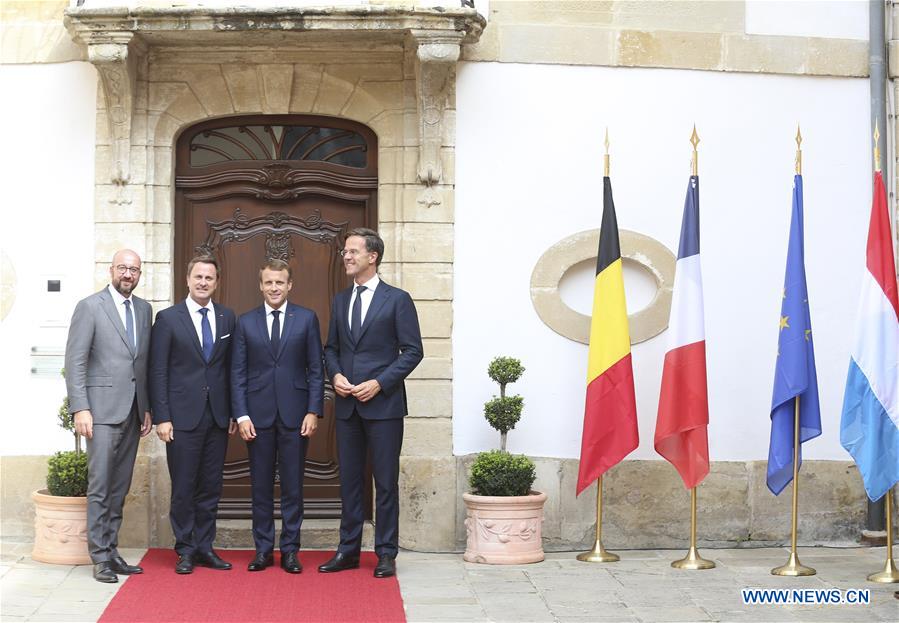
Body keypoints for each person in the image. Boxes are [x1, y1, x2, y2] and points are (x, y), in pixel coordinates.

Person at [319, 228, 423, 579]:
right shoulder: (340, 300)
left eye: (352, 251)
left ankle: (386, 553)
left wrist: (379, 383)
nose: (346, 257)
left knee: (386, 483)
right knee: (349, 481)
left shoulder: (397, 299)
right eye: (345, 252)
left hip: (384, 407)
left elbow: (413, 351)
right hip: (347, 406)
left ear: (372, 256)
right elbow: (331, 348)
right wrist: (335, 375)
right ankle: (347, 551)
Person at [65, 249, 154, 583]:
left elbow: (142, 363)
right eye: (123, 268)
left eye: (134, 270)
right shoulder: (90, 307)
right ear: (111, 270)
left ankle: (112, 550)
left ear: (139, 274)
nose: (128, 274)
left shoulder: (144, 310)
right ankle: (99, 556)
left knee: (120, 486)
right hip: (100, 411)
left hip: (133, 411)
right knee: (101, 485)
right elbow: (75, 360)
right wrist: (80, 408)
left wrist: (147, 407)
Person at [231, 258, 324, 573]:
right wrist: (241, 415)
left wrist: (313, 410)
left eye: (279, 282)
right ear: (261, 285)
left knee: (293, 488)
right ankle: (262, 550)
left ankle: (291, 551)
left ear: (289, 285)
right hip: (256, 418)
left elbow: (316, 369)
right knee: (260, 488)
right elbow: (237, 373)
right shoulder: (245, 322)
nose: (274, 288)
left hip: (296, 417)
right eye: (269, 282)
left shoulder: (307, 319)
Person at [149, 256, 237, 575]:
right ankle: (185, 548)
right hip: (181, 418)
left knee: (211, 487)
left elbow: (230, 368)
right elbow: (158, 370)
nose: (203, 282)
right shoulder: (168, 318)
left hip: (217, 417)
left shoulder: (227, 317)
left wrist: (232, 412)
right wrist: (162, 417)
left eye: (209, 278)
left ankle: (205, 547)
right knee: (184, 486)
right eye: (198, 276)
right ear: (187, 279)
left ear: (216, 282)